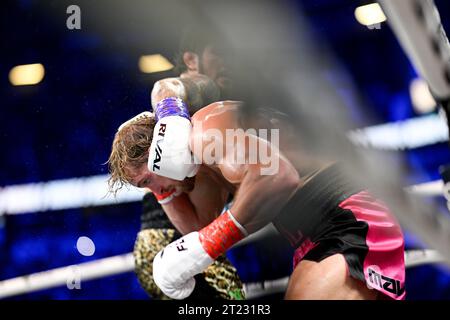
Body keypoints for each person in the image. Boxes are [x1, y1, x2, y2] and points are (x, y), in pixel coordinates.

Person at [108, 96, 406, 300]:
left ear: (159, 151)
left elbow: (278, 177)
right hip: (315, 236)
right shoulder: (199, 169)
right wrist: (166, 193)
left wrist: (205, 245)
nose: (155, 192)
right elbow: (197, 227)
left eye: (148, 180)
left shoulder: (206, 133)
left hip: (349, 216)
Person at [131, 24, 246, 300]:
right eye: (220, 52)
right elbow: (165, 88)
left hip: (161, 244)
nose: (229, 60)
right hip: (176, 240)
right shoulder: (202, 90)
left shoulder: (224, 100)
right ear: (191, 60)